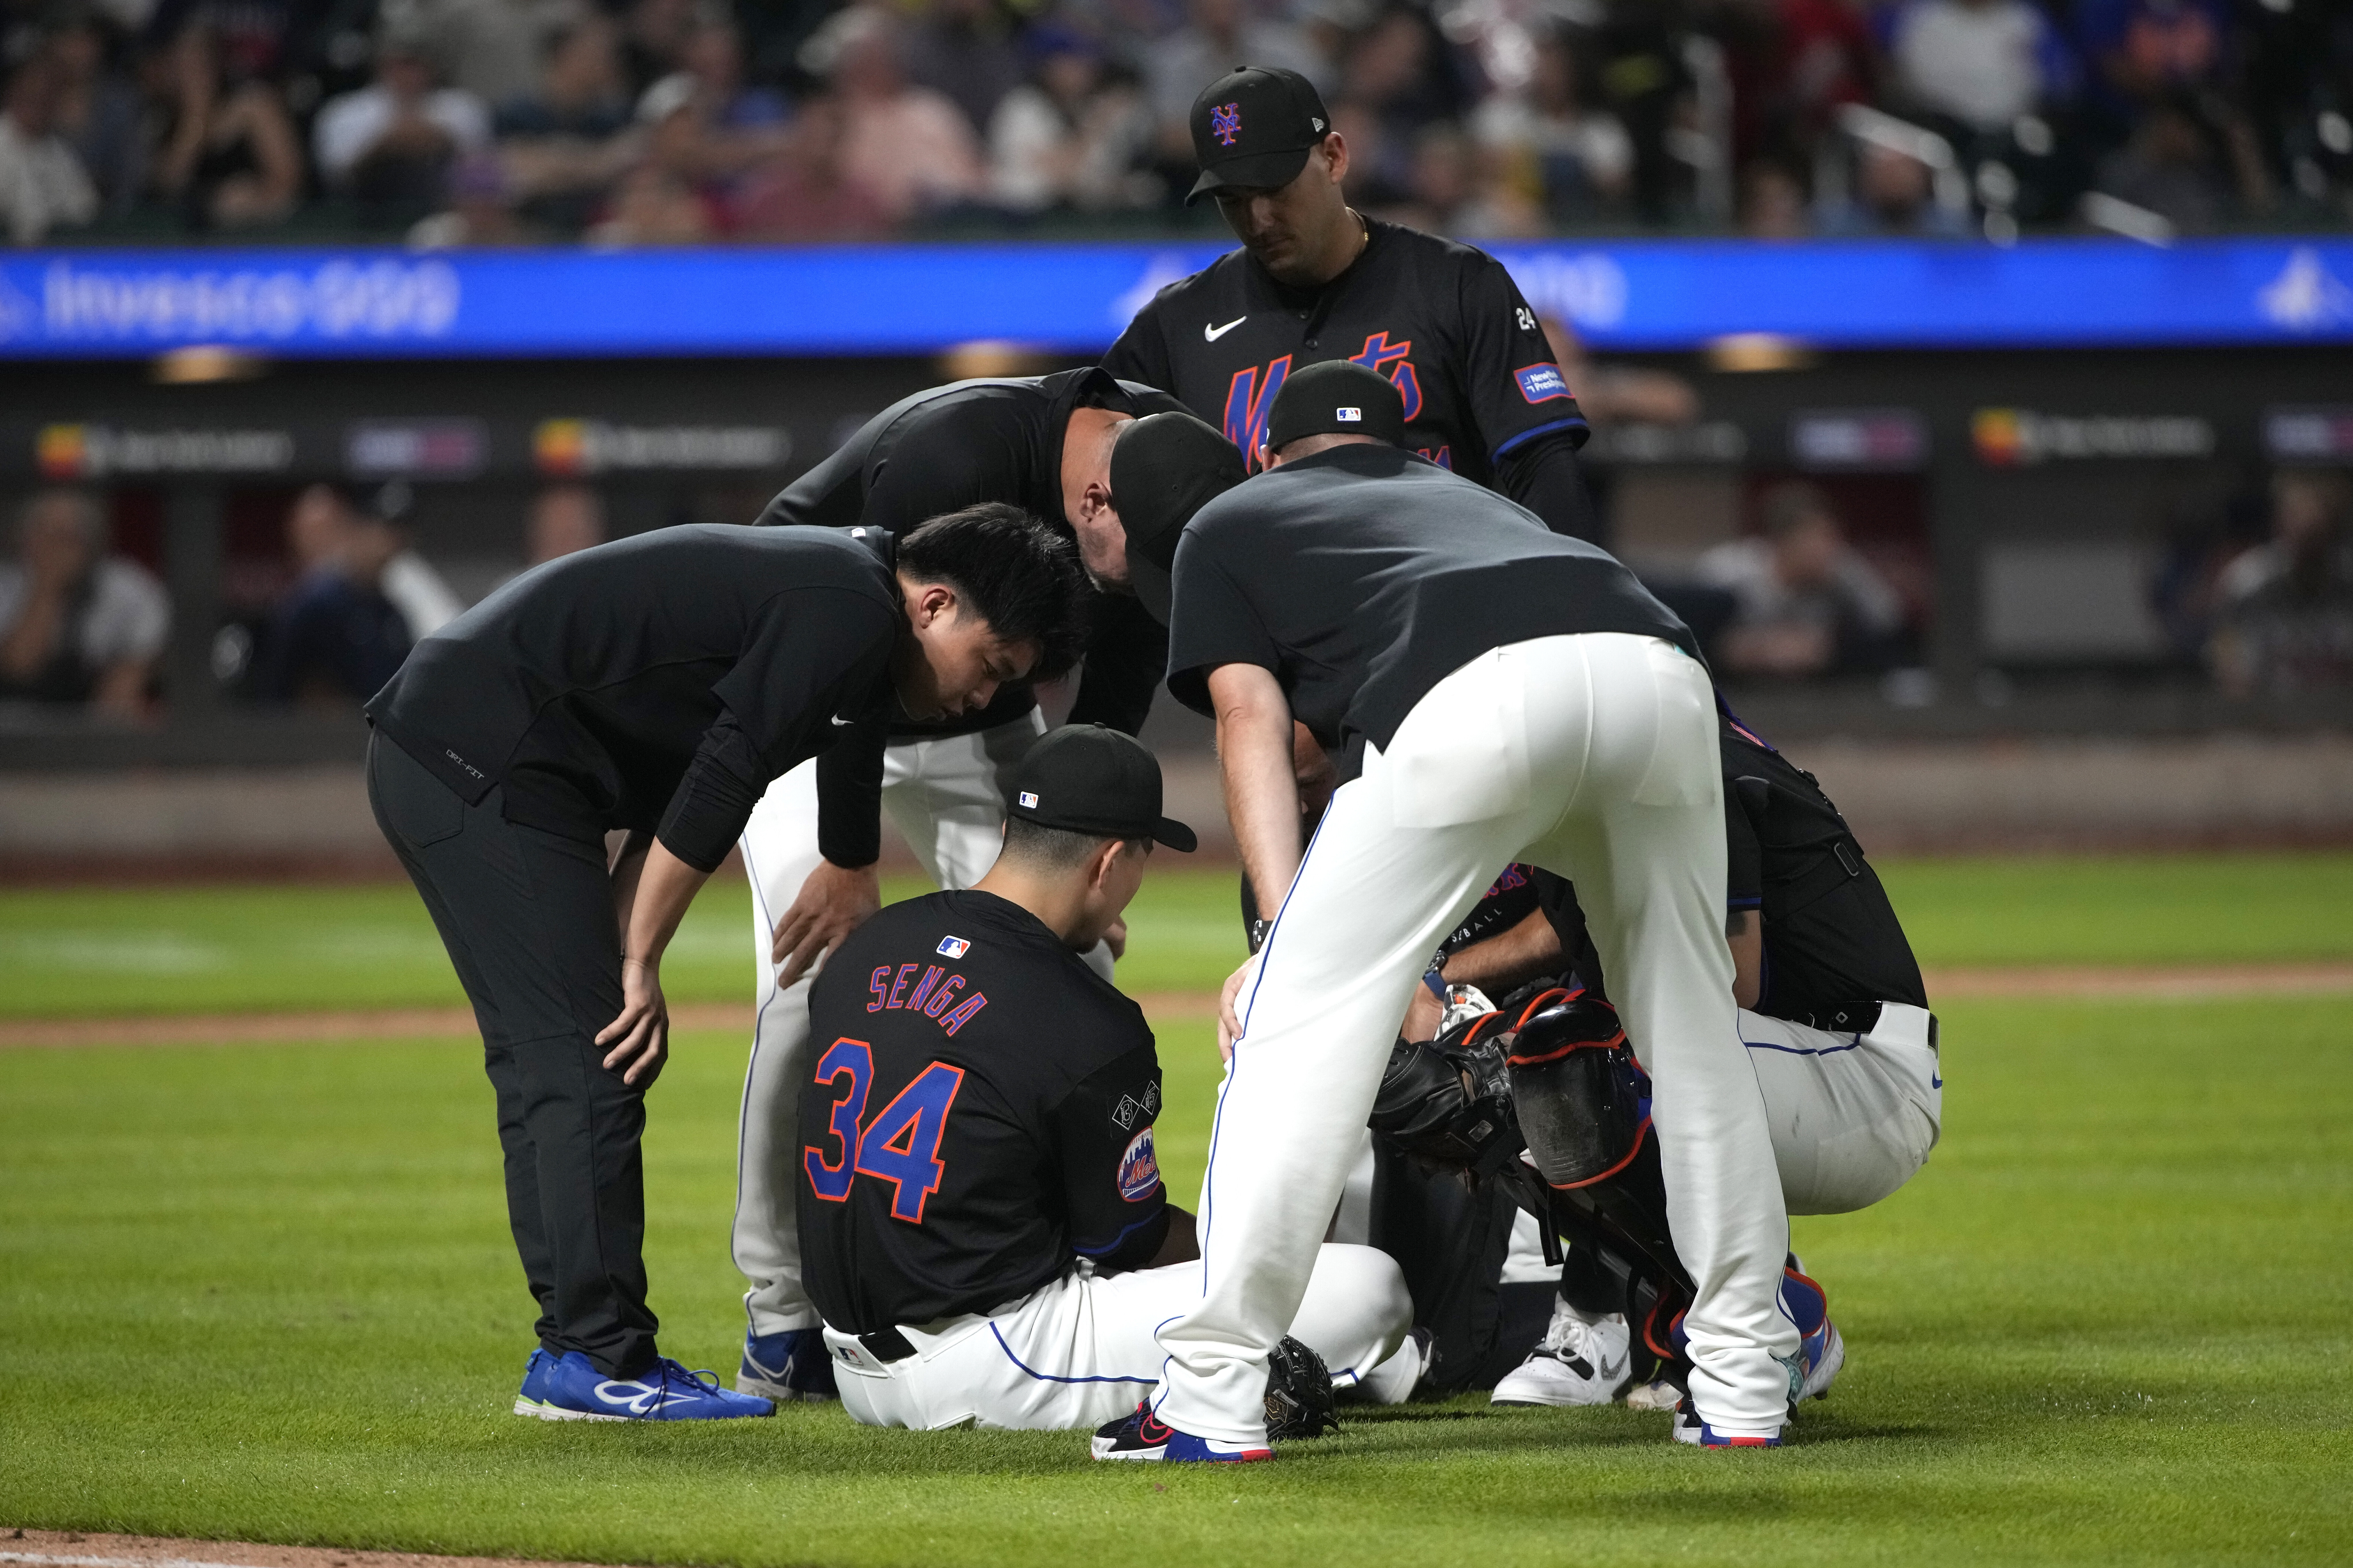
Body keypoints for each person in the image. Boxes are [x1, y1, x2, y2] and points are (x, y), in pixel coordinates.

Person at [1092, 360, 1805, 1460]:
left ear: (1270, 457)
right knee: (1695, 1034)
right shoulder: (1466, 497)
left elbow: (1247, 717)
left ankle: (1210, 1393)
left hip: (1474, 691)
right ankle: (1746, 1378)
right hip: (1656, 668)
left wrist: (1284, 943)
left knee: (1293, 1031)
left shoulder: (1231, 517)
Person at [364, 503, 1090, 1423]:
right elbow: (721, 778)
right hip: (484, 752)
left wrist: (637, 924)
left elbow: (688, 764)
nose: (981, 701)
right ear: (937, 605)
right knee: (588, 1057)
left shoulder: (852, 603)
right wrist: (638, 955)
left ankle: (579, 1351)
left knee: (567, 1059)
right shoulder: (850, 609)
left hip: (482, 748)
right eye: (990, 668)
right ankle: (592, 1359)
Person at [726, 363, 1194, 1406]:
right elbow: (853, 642)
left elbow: (1114, 688)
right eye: (1130, 559)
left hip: (978, 720)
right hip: (811, 708)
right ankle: (779, 1314)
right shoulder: (959, 450)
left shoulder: (1169, 475)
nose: (1139, 586)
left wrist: (1080, 840)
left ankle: (1067, 1251)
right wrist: (849, 857)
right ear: (1091, 501)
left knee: (1076, 966)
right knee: (809, 984)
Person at [802, 723, 1420, 1431]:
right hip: (997, 1359)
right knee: (1371, 1286)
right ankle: (1376, 1362)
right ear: (1110, 862)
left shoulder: (867, 948)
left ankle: (1354, 1366)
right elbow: (1129, 1240)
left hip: (852, 1366)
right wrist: (1267, 1254)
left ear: (1011, 829)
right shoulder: (1084, 1015)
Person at [1401, 706, 1938, 1414]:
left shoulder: (1692, 767)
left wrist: (1502, 1062)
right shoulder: (1586, 788)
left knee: (1565, 1066)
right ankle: (1729, 1300)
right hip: (1773, 1072)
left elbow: (1728, 985)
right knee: (1507, 1078)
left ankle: (1761, 1316)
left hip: (1863, 1078)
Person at [1100, 65, 1599, 542]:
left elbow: (1543, 469)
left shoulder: (1458, 285)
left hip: (1437, 597)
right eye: (1232, 199)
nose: (1259, 218)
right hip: (1259, 614)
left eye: (1275, 188)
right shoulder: (1175, 324)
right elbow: (1095, 471)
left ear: (1335, 157)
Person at [1695, 482, 1908, 679]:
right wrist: (1750, 647)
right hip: (1733, 690)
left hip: (1813, 691)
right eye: (1814, 538)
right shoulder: (1728, 572)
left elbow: (1889, 620)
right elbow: (1687, 638)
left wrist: (1828, 643)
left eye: (1830, 538)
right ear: (1782, 540)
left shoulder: (1840, 571)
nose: (1827, 549)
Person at [0, 488, 169, 719]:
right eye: (46, 534)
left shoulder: (130, 590)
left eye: (68, 537)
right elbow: (19, 668)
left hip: (95, 726)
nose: (58, 548)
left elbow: (128, 682)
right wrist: (48, 589)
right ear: (26, 539)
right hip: (19, 725)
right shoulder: (7, 584)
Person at [259, 485, 415, 709]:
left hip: (375, 733)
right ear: (355, 530)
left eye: (398, 533)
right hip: (314, 738)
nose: (389, 544)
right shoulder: (317, 604)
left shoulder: (391, 613)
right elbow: (281, 686)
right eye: (381, 530)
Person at [2209, 470, 2353, 695]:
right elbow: (2229, 663)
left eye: (2316, 532)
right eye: (2297, 522)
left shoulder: (2347, 581)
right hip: (2269, 718)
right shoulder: (2247, 581)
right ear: (2280, 524)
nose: (2307, 537)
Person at [0, 53, 98, 244]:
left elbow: (85, 212)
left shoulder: (58, 150)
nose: (39, 105)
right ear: (12, 94)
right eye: (30, 95)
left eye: (46, 97)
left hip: (51, 260)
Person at [527, 483, 604, 564]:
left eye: (576, 535)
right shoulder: (521, 577)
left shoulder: (610, 574)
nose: (569, 546)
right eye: (560, 537)